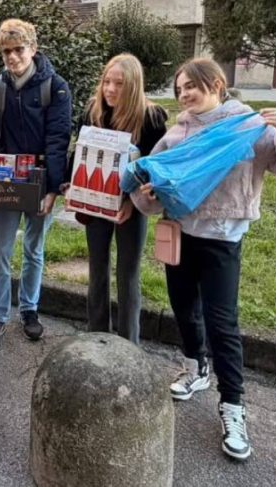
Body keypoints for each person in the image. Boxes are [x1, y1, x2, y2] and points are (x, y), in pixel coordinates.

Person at [130, 58, 276, 461]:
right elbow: (153, 183)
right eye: (180, 88)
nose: (184, 94)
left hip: (222, 239)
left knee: (222, 323)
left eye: (192, 87)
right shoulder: (176, 133)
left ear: (217, 84)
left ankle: (233, 406)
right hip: (179, 233)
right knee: (184, 309)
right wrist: (147, 197)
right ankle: (196, 369)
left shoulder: (249, 127)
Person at [0, 19, 72, 353]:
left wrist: (53, 189)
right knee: (0, 251)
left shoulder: (55, 87)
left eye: (18, 50)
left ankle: (29, 309)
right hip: (7, 181)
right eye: (6, 51)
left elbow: (58, 139)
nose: (12, 57)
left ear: (33, 49)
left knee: (34, 250)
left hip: (41, 183)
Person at [66, 53, 167, 344]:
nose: (110, 89)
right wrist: (71, 185)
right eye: (107, 81)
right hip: (96, 203)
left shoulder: (152, 118)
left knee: (128, 273)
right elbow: (79, 155)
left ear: (133, 86)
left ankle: (128, 343)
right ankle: (97, 335)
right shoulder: (94, 111)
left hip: (131, 207)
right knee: (97, 268)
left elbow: (155, 167)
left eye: (119, 84)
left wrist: (132, 204)